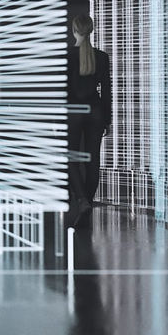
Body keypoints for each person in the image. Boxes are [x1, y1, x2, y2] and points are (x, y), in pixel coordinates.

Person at [66, 14, 112, 227]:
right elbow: (106, 92)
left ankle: (82, 200)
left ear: (74, 30)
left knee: (71, 158)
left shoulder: (66, 56)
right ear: (91, 30)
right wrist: (107, 119)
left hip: (72, 113)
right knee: (93, 160)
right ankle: (88, 202)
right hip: (95, 112)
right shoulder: (102, 57)